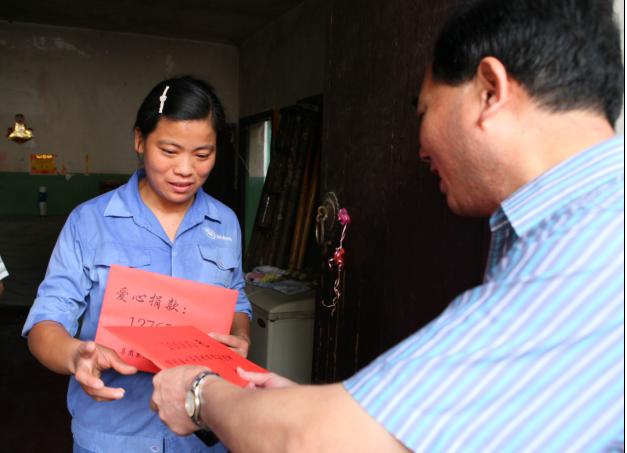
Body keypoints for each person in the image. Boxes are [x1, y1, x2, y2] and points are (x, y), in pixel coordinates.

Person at [150, 0, 624, 451]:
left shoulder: (584, 254)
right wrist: (308, 409)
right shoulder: (582, 226)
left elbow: (315, 442)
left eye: (424, 111)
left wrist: (200, 392)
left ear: (489, 91)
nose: (421, 149)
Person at [22, 76, 252, 453]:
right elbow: (45, 323)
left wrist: (240, 336)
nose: (185, 169)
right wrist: (74, 355)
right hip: (114, 437)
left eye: (202, 154)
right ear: (140, 141)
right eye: (169, 150)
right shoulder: (89, 222)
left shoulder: (225, 222)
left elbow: (236, 299)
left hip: (202, 434)